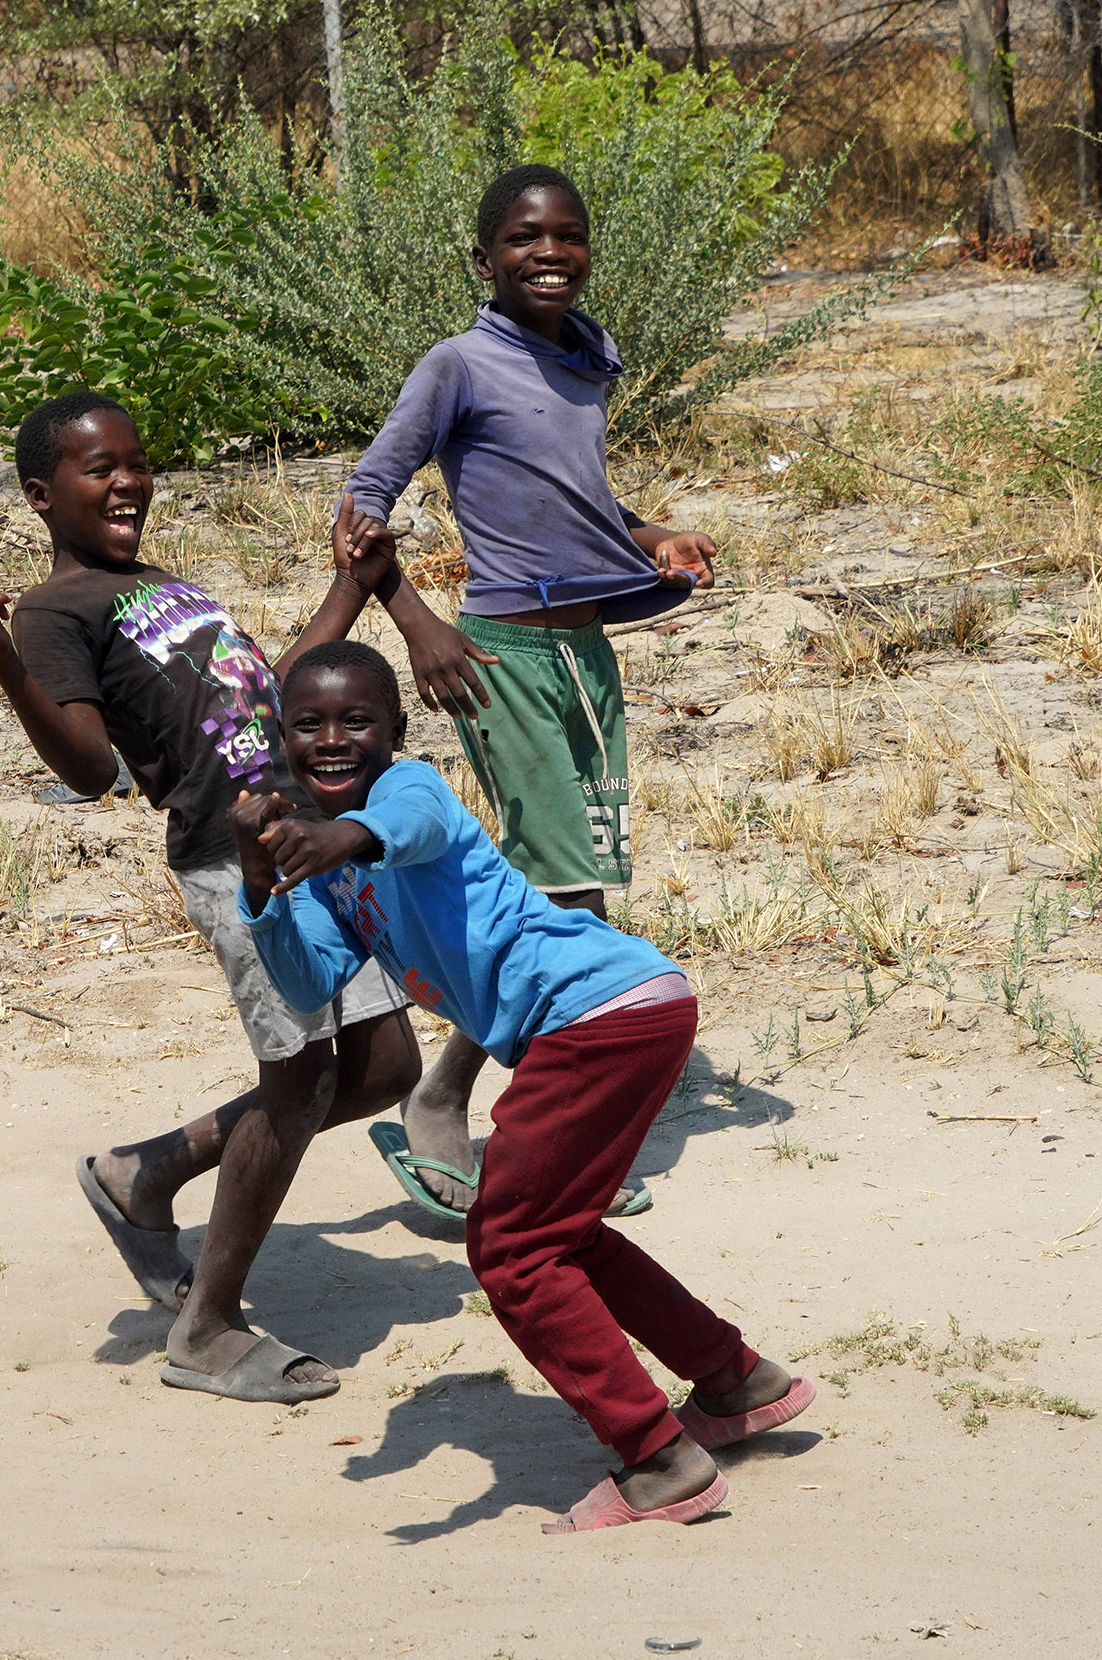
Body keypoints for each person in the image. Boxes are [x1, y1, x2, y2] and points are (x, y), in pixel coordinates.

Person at [233, 639, 815, 1531]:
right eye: (309, 724)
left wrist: (335, 835)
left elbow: (411, 827)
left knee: (509, 1250)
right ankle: (736, 1380)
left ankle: (661, 1463)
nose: (334, 738)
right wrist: (260, 879)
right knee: (561, 1233)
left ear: (395, 730)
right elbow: (309, 983)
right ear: (282, 737)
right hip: (627, 1012)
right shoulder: (319, 872)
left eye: (357, 720)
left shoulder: (404, 792)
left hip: (601, 1011)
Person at [0, 390, 420, 1405]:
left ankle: (148, 1171)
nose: (127, 480)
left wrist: (350, 588)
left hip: (313, 834)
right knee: (296, 1078)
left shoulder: (166, 584)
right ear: (40, 495)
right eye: (97, 468)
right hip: (231, 850)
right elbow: (84, 765)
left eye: (135, 460)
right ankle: (204, 1328)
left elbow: (266, 692)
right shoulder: (53, 611)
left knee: (380, 1065)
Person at [336, 163, 724, 1220]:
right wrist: (417, 623)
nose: (546, 253)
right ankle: (481, 1113)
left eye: (566, 235)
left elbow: (581, 495)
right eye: (521, 238)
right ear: (483, 259)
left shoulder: (583, 359)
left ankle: (492, 1108)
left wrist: (650, 538)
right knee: (566, 887)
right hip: (502, 652)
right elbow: (367, 496)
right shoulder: (457, 363)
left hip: (586, 652)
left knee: (575, 871)